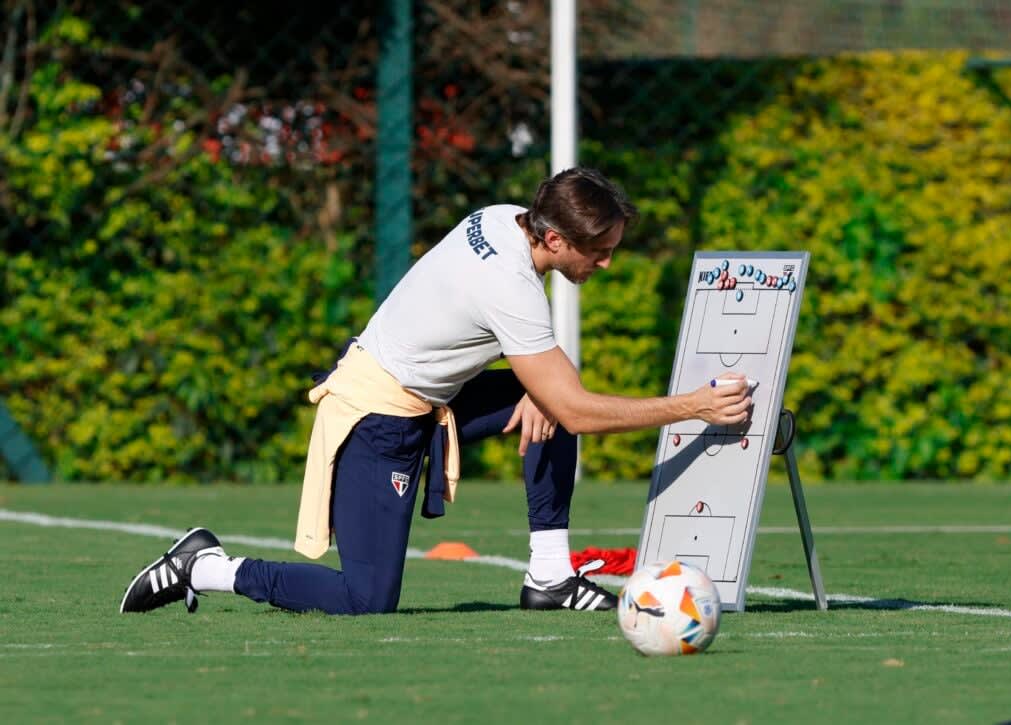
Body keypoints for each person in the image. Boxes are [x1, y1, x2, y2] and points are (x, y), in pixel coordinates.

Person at [119, 167, 753, 617]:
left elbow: (558, 398)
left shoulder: (505, 218)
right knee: (365, 600)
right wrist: (693, 406)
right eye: (601, 251)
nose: (607, 263)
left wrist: (547, 394)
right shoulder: (510, 284)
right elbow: (578, 413)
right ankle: (206, 567)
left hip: (434, 396)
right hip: (379, 416)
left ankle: (550, 578)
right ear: (555, 239)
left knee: (551, 401)